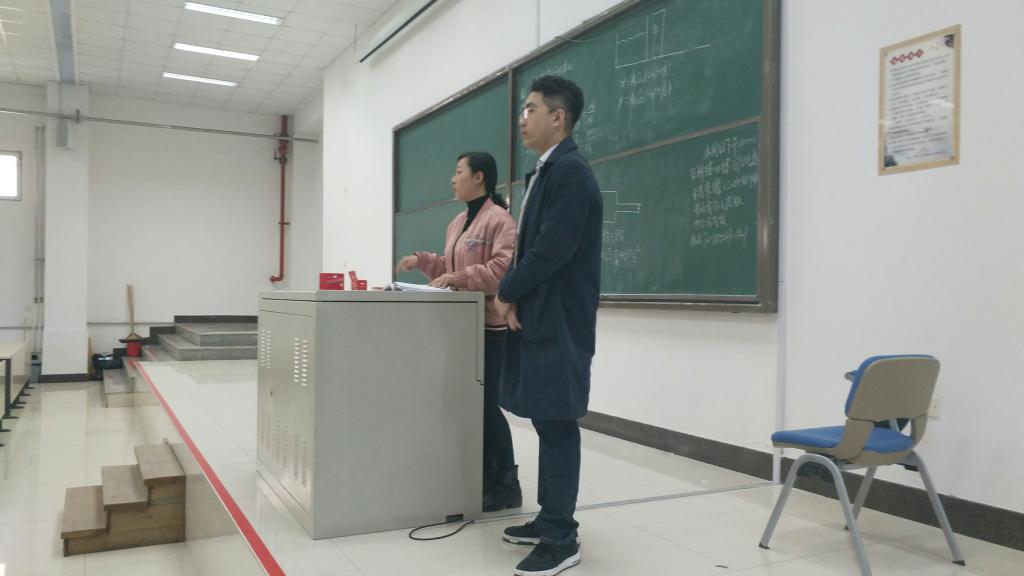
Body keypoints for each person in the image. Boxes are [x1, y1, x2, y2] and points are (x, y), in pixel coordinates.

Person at [495, 76, 602, 576]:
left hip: (561, 321)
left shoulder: (571, 172)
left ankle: (562, 536)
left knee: (557, 423)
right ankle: (549, 517)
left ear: (558, 117)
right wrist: (516, 295)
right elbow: (533, 250)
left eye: (531, 109)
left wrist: (507, 290)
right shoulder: (550, 169)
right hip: (543, 315)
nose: (523, 119)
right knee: (545, 418)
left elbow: (550, 251)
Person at [395, 152, 522, 512]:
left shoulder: (500, 220)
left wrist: (459, 277)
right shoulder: (457, 222)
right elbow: (449, 269)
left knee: (486, 406)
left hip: (490, 329)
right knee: (468, 405)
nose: (453, 179)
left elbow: (501, 271)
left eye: (458, 172)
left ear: (479, 177)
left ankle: (507, 484)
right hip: (461, 328)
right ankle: (483, 477)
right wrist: (423, 261)